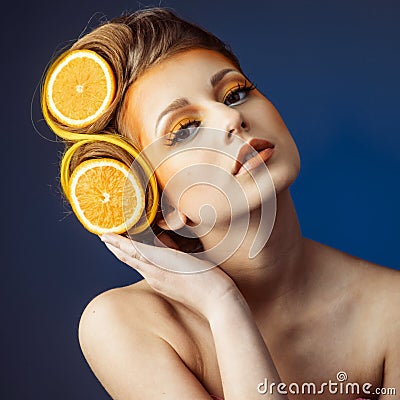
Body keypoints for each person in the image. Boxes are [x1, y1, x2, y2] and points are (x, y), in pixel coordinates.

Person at [42, 7, 400, 400]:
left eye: (236, 93)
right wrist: (222, 305)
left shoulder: (391, 312)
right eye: (184, 129)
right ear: (159, 205)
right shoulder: (124, 324)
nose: (230, 118)